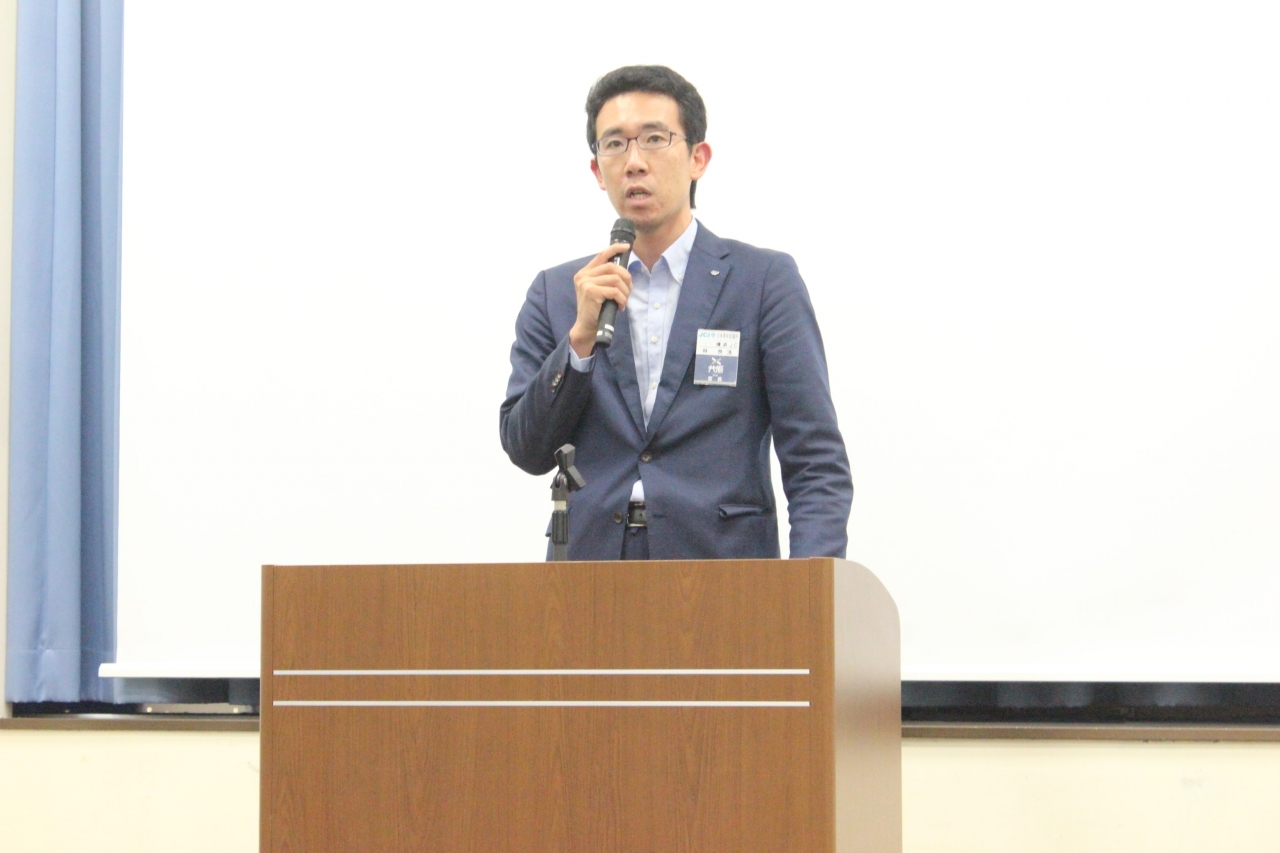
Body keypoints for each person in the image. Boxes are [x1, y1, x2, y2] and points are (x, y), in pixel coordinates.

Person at [500, 65, 851, 561]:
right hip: (590, 574)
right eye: (615, 144)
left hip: (723, 571)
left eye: (654, 139)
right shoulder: (557, 293)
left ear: (697, 158)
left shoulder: (762, 282)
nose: (634, 162)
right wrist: (578, 343)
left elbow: (815, 460)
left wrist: (812, 590)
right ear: (597, 171)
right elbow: (526, 449)